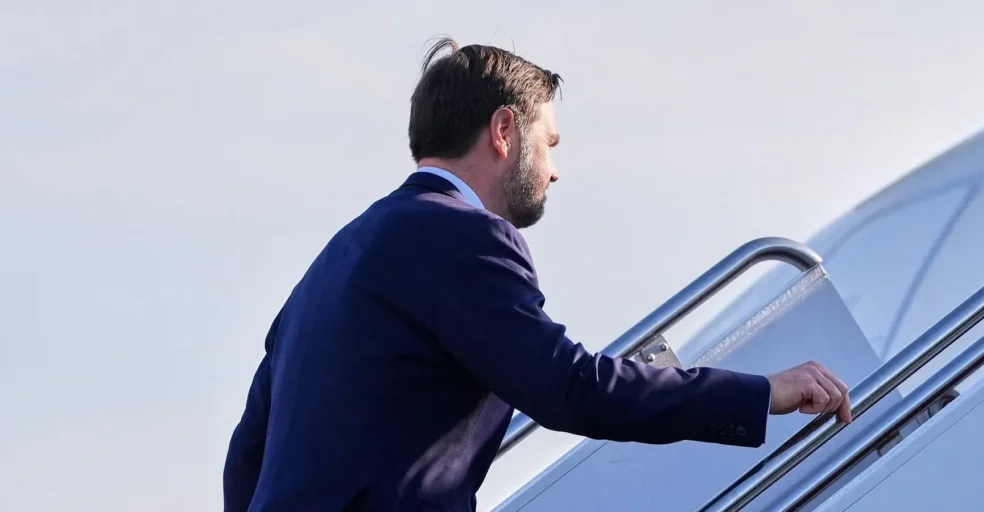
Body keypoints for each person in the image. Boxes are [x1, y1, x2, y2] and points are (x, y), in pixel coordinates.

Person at [222, 36, 853, 512]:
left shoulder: (336, 258)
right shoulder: (464, 237)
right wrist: (760, 394)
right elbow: (571, 388)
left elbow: (248, 452)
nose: (554, 170)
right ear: (504, 131)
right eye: (548, 143)